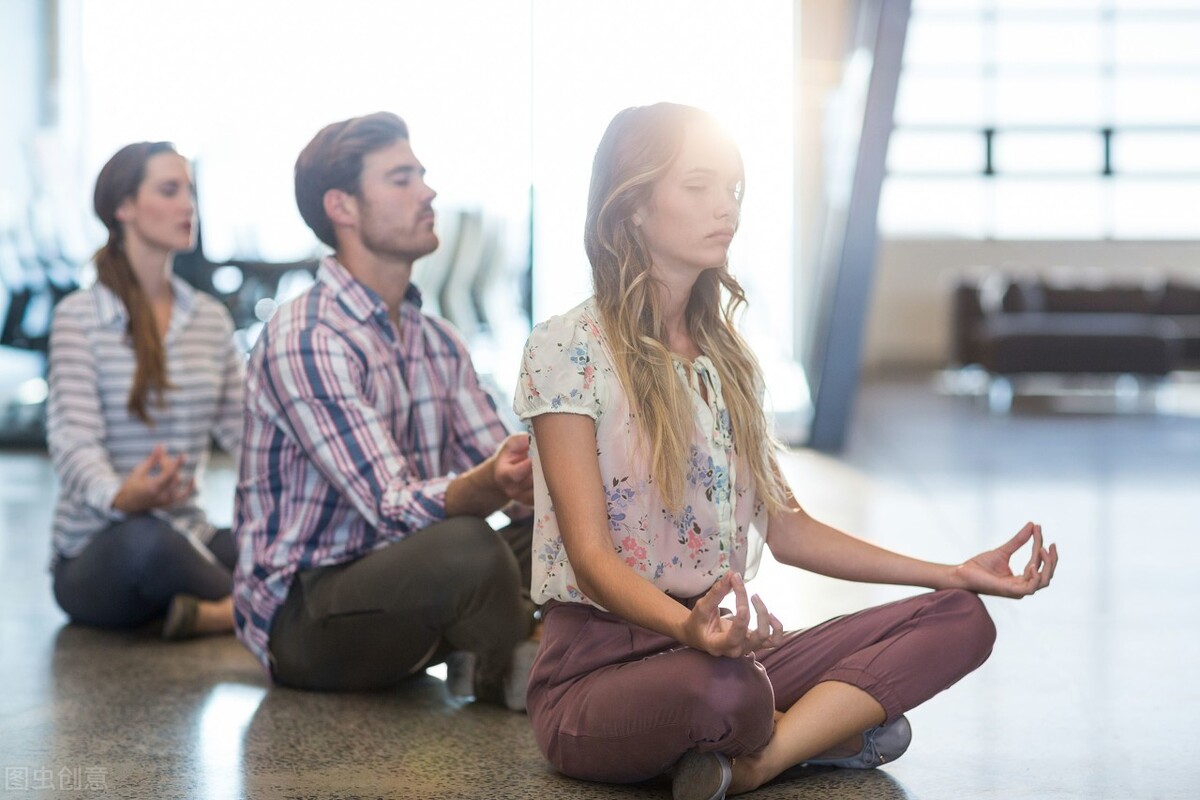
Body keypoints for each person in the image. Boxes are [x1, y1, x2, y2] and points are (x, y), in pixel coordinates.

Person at [514, 102, 1059, 800]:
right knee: (730, 692)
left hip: (725, 647)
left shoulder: (728, 361)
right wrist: (689, 627)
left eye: (734, 190)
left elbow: (791, 529)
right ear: (635, 205)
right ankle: (822, 731)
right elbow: (590, 560)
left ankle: (759, 763)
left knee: (959, 619)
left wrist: (953, 571)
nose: (726, 209)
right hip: (600, 670)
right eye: (699, 187)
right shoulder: (568, 348)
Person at [233, 112, 537, 707]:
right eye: (402, 178)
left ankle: (503, 650)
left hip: (400, 572)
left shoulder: (436, 338)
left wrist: (546, 485)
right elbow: (389, 505)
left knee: (573, 530)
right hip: (308, 613)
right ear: (343, 207)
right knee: (471, 549)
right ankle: (516, 653)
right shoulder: (308, 334)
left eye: (421, 175)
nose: (428, 192)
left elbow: (506, 465)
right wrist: (489, 484)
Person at [47, 141, 244, 640]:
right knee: (149, 542)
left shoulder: (209, 320)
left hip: (189, 531)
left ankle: (217, 613)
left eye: (190, 191)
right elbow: (73, 440)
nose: (187, 206)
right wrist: (121, 494)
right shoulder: (80, 317)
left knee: (268, 545)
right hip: (99, 549)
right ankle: (259, 614)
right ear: (124, 207)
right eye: (169, 190)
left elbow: (248, 429)